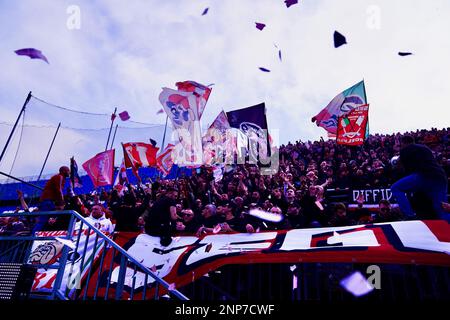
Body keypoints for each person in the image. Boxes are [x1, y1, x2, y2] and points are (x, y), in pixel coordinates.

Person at [390, 135, 449, 221]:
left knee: (396, 188)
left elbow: (399, 165)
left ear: (403, 143)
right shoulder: (425, 148)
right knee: (441, 209)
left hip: (424, 176)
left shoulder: (405, 149)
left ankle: (410, 215)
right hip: (440, 177)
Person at [33, 166, 70, 232]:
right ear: (64, 171)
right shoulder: (60, 177)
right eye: (68, 171)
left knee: (46, 220)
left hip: (47, 201)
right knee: (43, 220)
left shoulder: (59, 178)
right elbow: (58, 190)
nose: (69, 172)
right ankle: (33, 237)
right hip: (47, 201)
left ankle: (36, 236)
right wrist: (62, 201)